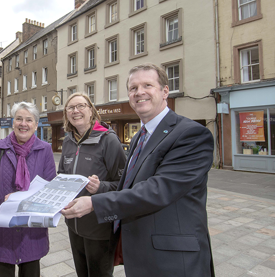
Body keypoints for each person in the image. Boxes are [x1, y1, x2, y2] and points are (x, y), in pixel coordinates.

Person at [62, 63, 215, 277]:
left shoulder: (190, 134)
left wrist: (94, 202)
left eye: (147, 85)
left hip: (173, 260)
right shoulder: (138, 138)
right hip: (141, 255)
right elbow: (127, 186)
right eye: (133, 88)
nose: (139, 92)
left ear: (164, 92)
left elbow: (157, 190)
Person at [0, 102, 57, 277]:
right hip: (2, 227)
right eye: (19, 119)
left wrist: (20, 198)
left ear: (36, 124)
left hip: (32, 230)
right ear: (12, 122)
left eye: (29, 120)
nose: (23, 124)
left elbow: (50, 188)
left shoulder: (45, 150)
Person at [58, 92, 126, 277]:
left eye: (81, 106)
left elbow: (123, 184)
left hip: (99, 225)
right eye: (70, 107)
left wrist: (100, 187)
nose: (76, 111)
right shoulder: (68, 142)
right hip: (74, 224)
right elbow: (62, 175)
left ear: (91, 111)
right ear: (66, 114)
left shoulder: (108, 140)